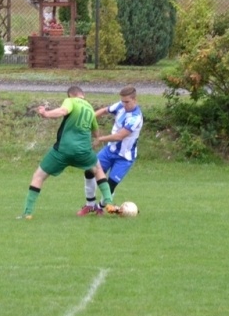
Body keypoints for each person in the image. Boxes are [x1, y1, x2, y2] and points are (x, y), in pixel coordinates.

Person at [19, 86, 117, 219]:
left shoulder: (70, 101)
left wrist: (46, 113)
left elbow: (62, 111)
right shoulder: (89, 108)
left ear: (70, 95)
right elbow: (96, 132)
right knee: (98, 170)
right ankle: (109, 203)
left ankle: (27, 213)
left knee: (39, 176)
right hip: (83, 151)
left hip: (63, 150)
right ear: (83, 94)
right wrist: (96, 141)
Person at [77, 85, 144, 216]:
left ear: (135, 100)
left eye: (127, 102)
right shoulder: (120, 105)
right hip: (109, 151)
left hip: (125, 157)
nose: (124, 104)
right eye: (122, 101)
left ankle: (99, 207)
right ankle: (89, 205)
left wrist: (100, 139)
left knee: (110, 184)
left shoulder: (135, 118)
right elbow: (104, 110)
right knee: (89, 171)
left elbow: (119, 136)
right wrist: (88, 119)